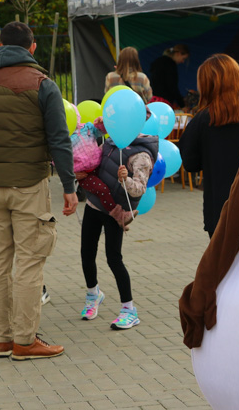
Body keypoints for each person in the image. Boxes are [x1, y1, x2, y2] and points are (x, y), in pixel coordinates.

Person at [0, 21, 78, 361]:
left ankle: (1, 340)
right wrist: (70, 187)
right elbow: (59, 140)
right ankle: (25, 341)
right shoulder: (43, 85)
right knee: (29, 262)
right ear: (33, 48)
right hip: (30, 185)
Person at [75, 118, 157, 330]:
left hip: (115, 211)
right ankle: (93, 295)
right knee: (86, 253)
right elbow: (95, 164)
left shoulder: (141, 155)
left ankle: (129, 310)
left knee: (114, 258)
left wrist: (125, 180)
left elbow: (139, 189)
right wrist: (81, 172)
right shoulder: (111, 142)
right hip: (94, 204)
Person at [178, 54, 239, 237]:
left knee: (224, 265)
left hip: (220, 211)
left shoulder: (202, 121)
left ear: (207, 85)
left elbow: (190, 163)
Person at [150, 43, 189, 108]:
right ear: (178, 53)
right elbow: (172, 86)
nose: (183, 61)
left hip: (154, 100)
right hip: (165, 102)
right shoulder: (170, 65)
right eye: (183, 58)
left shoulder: (158, 63)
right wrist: (182, 104)